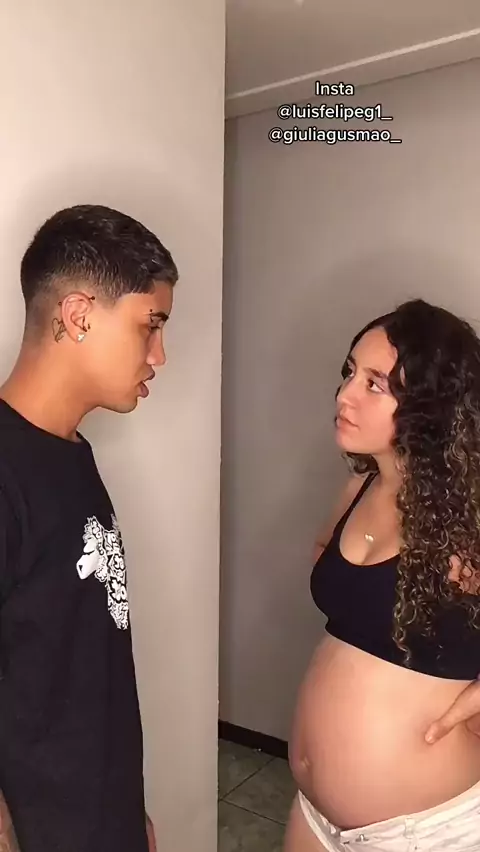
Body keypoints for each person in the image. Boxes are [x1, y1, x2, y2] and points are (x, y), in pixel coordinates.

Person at [0, 205, 178, 852]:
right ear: (78, 315)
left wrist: (127, 815)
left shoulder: (71, 453)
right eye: (149, 325)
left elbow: (80, 661)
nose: (159, 355)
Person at [284, 299, 480, 852]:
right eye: (350, 373)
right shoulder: (359, 488)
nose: (345, 395)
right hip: (315, 815)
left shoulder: (469, 517)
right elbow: (332, 570)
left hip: (424, 831)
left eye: (375, 384)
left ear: (431, 405)